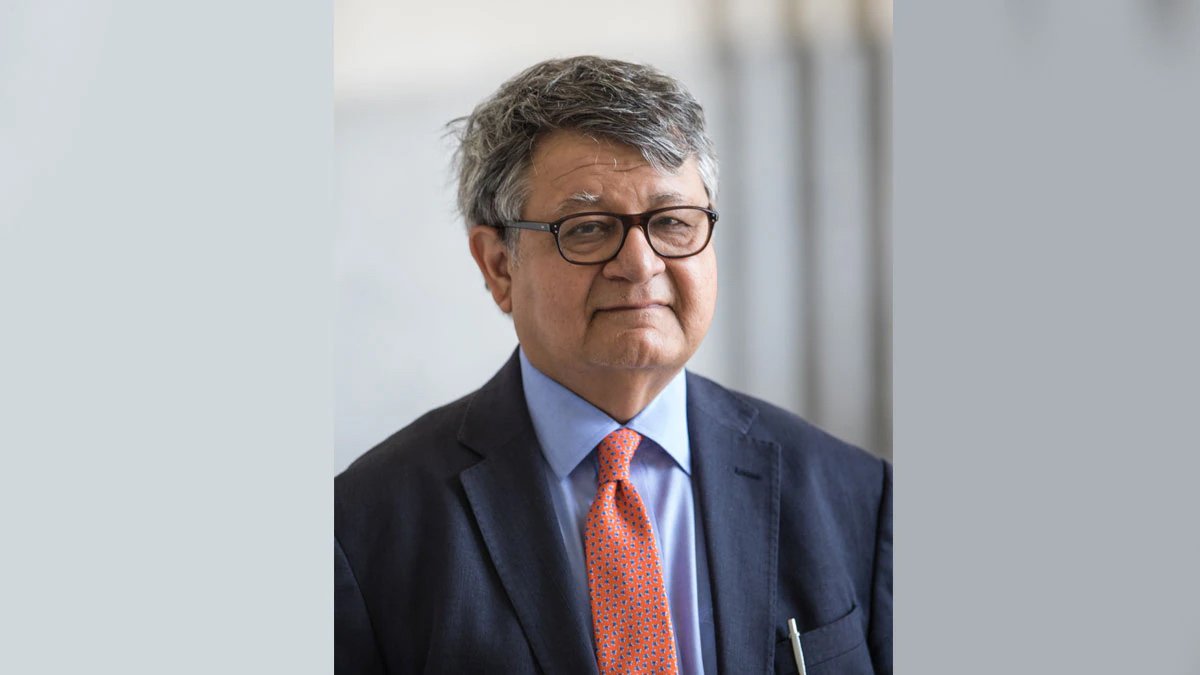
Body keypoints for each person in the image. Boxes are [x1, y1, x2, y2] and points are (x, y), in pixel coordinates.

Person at [335, 55, 892, 675]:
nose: (639, 263)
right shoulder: (363, 530)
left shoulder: (856, 497)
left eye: (672, 222)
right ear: (498, 265)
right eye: (588, 228)